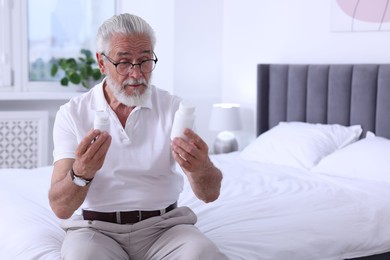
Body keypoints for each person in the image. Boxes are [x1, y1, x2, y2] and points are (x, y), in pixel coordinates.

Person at [48, 13, 227, 260]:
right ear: (102, 63)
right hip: (97, 231)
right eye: (124, 62)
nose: (136, 73)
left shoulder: (173, 109)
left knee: (203, 254)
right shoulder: (72, 113)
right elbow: (60, 207)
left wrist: (201, 167)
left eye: (144, 60)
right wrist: (82, 172)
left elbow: (210, 194)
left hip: (165, 228)